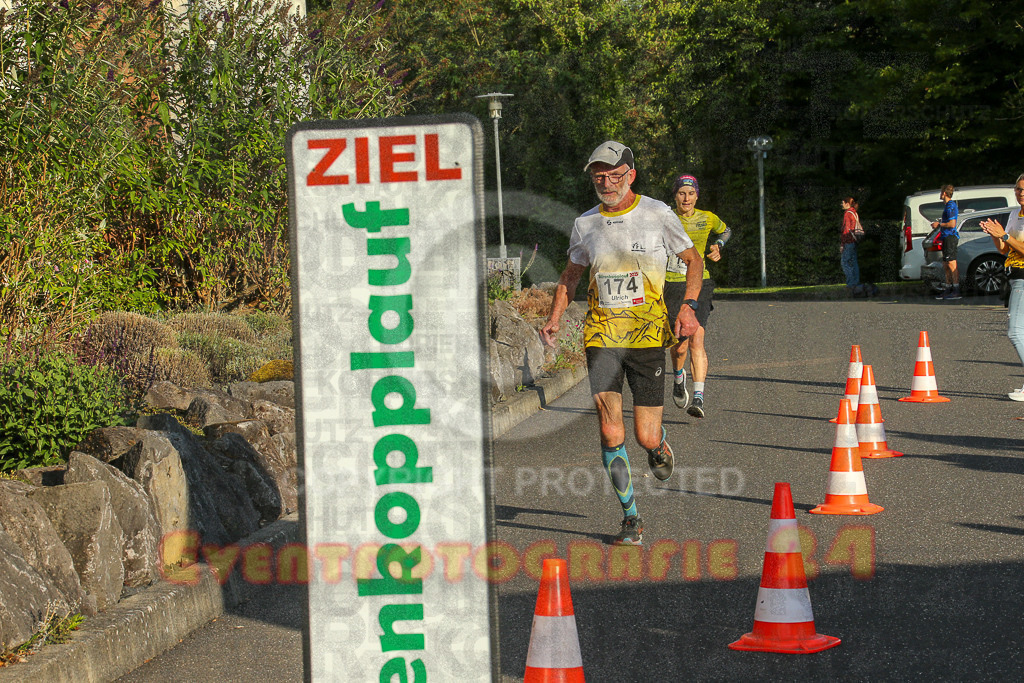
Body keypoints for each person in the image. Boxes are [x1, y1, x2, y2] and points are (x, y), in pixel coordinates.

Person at [540, 141, 703, 546]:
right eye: (599, 175)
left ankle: (658, 446)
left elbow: (693, 260)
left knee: (645, 435)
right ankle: (631, 517)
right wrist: (555, 317)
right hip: (601, 336)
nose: (606, 182)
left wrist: (688, 307)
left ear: (631, 175)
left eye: (614, 174)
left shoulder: (657, 213)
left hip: (646, 335)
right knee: (610, 428)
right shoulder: (585, 224)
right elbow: (571, 275)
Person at [664, 174, 731, 417]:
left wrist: (718, 245)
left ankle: (699, 398)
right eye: (682, 193)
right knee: (679, 346)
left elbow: (726, 231)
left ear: (697, 196)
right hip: (671, 283)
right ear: (675, 196)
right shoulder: (665, 218)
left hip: (701, 282)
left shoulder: (707, 218)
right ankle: (678, 377)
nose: (687, 198)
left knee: (697, 339)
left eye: (691, 194)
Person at [980, 173, 1024, 400]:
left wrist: (1004, 235)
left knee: (1015, 331)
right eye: (1018, 189)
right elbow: (1004, 250)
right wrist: (994, 235)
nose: (1021, 193)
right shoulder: (1015, 214)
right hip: (1014, 276)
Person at [933, 184, 961, 300]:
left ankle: (956, 290)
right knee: (946, 264)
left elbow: (952, 224)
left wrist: (939, 224)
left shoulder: (951, 205)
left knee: (951, 263)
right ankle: (948, 288)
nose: (940, 194)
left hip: (950, 237)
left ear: (944, 193)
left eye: (941, 192)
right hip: (945, 237)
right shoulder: (947, 206)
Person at [839, 197, 862, 296]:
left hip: (848, 241)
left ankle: (851, 284)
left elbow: (846, 230)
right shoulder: (854, 212)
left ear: (847, 203)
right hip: (854, 241)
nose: (841, 205)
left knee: (845, 262)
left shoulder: (848, 213)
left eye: (843, 203)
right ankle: (855, 283)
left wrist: (842, 244)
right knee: (853, 262)